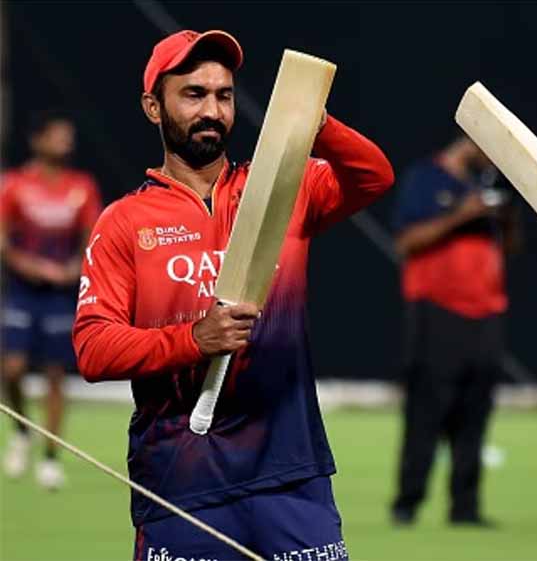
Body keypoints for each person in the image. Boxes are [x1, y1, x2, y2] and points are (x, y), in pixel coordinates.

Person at [71, 30, 393, 558]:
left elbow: (373, 177)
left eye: (223, 95)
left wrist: (319, 125)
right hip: (182, 482)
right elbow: (94, 349)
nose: (212, 111)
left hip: (291, 475)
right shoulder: (125, 222)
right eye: (193, 94)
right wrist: (193, 339)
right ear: (153, 107)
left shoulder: (282, 187)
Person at [389, 135, 516, 527]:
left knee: (475, 412)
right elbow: (406, 242)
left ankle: (466, 507)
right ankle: (407, 503)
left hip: (486, 310)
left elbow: (510, 247)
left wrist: (506, 216)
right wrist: (462, 215)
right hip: (437, 311)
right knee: (427, 409)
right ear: (473, 140)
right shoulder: (426, 178)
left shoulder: (487, 183)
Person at [1, 112, 102, 490]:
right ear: (38, 140)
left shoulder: (82, 185)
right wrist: (29, 266)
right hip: (23, 291)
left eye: (68, 137)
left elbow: (92, 238)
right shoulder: (15, 185)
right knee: (12, 370)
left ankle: (49, 458)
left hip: (61, 295)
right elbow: (2, 240)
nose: (66, 143)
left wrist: (74, 268)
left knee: (55, 375)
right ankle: (22, 431)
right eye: (58, 136)